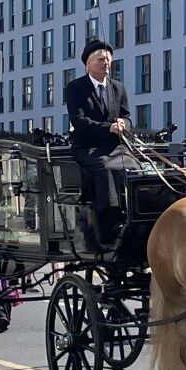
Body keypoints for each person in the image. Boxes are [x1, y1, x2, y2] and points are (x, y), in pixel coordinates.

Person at [64, 39, 139, 244]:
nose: (105, 63)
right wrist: (108, 127)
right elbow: (79, 121)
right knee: (105, 168)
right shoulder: (76, 87)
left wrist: (123, 123)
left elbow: (127, 117)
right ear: (87, 64)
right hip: (87, 147)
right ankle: (109, 225)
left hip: (116, 146)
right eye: (100, 60)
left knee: (135, 167)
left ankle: (136, 218)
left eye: (108, 60)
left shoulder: (118, 88)